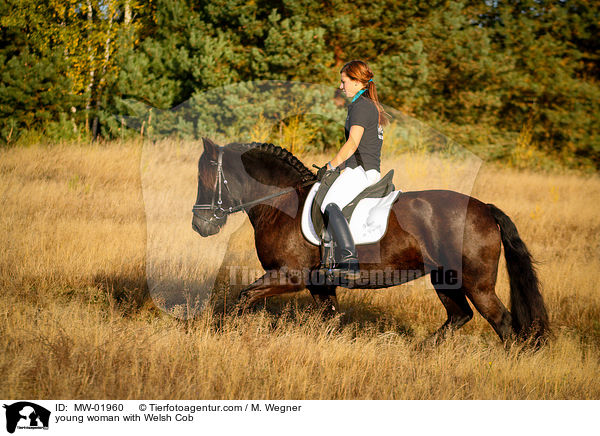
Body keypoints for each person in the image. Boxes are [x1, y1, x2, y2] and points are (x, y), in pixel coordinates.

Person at [316, 60, 390, 280]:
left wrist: (330, 166)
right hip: (365, 170)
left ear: (358, 82)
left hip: (361, 171)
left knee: (329, 204)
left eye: (344, 81)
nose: (341, 87)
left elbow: (352, 144)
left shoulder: (361, 106)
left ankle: (349, 262)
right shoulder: (368, 105)